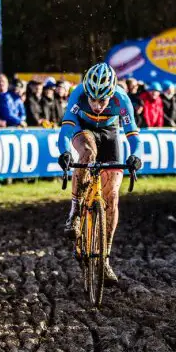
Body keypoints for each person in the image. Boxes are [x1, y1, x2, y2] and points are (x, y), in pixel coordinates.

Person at [57, 63, 142, 283]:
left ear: (111, 94)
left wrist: (136, 156)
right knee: (87, 154)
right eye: (92, 99)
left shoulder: (122, 100)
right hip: (82, 130)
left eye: (102, 100)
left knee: (112, 197)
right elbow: (66, 129)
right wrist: (65, 152)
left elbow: (133, 134)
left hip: (111, 133)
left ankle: (104, 258)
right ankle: (75, 213)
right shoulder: (78, 94)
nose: (96, 105)